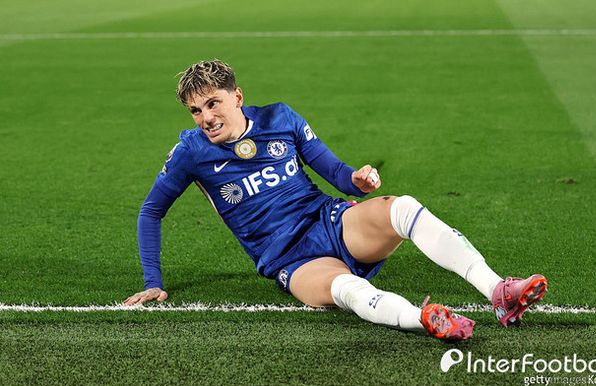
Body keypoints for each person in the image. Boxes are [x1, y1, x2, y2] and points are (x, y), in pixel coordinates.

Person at [124, 59, 548, 341]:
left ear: (237, 96)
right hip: (288, 257)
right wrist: (152, 281)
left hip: (330, 221)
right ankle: (424, 320)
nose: (205, 118)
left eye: (212, 103)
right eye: (195, 111)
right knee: (347, 288)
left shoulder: (280, 118)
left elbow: (335, 173)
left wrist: (358, 181)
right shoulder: (190, 151)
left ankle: (498, 290)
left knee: (400, 206)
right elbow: (151, 211)